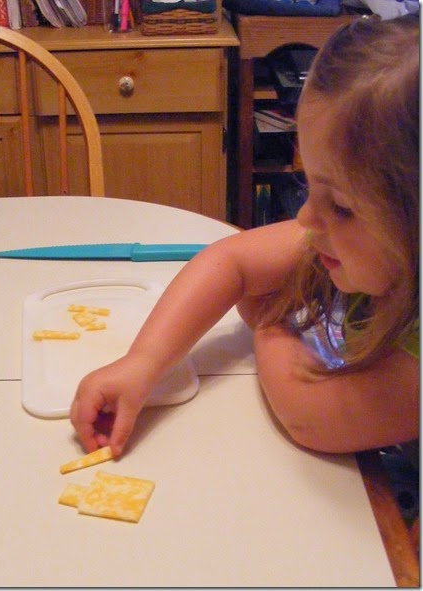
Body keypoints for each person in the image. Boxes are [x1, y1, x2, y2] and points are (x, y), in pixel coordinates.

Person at [70, 15, 419, 459]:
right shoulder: (357, 243)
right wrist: (142, 363)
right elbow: (230, 261)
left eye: (341, 206)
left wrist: (272, 323)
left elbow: (309, 416)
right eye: (309, 184)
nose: (306, 217)